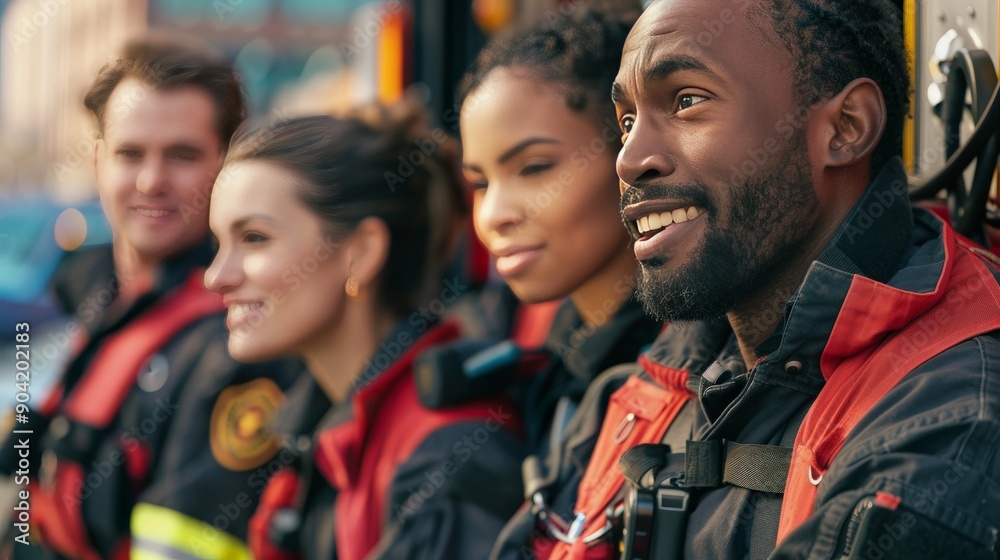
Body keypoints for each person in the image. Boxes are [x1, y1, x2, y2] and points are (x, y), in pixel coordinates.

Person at [498, 0, 1000, 558]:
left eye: (687, 101)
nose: (629, 158)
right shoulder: (649, 385)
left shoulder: (952, 427)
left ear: (846, 127)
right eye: (627, 121)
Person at [0, 36, 303, 559]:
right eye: (129, 154)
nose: (151, 180)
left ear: (229, 168)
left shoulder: (239, 341)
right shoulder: (94, 299)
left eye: (182, 155)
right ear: (98, 162)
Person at [204, 103, 526, 560]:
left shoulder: (447, 455)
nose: (216, 277)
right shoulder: (322, 429)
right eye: (218, 243)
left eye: (254, 238)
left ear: (362, 251)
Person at [457, 12, 661, 457]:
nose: (494, 215)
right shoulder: (550, 369)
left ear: (627, 152)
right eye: (479, 184)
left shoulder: (694, 368)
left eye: (534, 169)